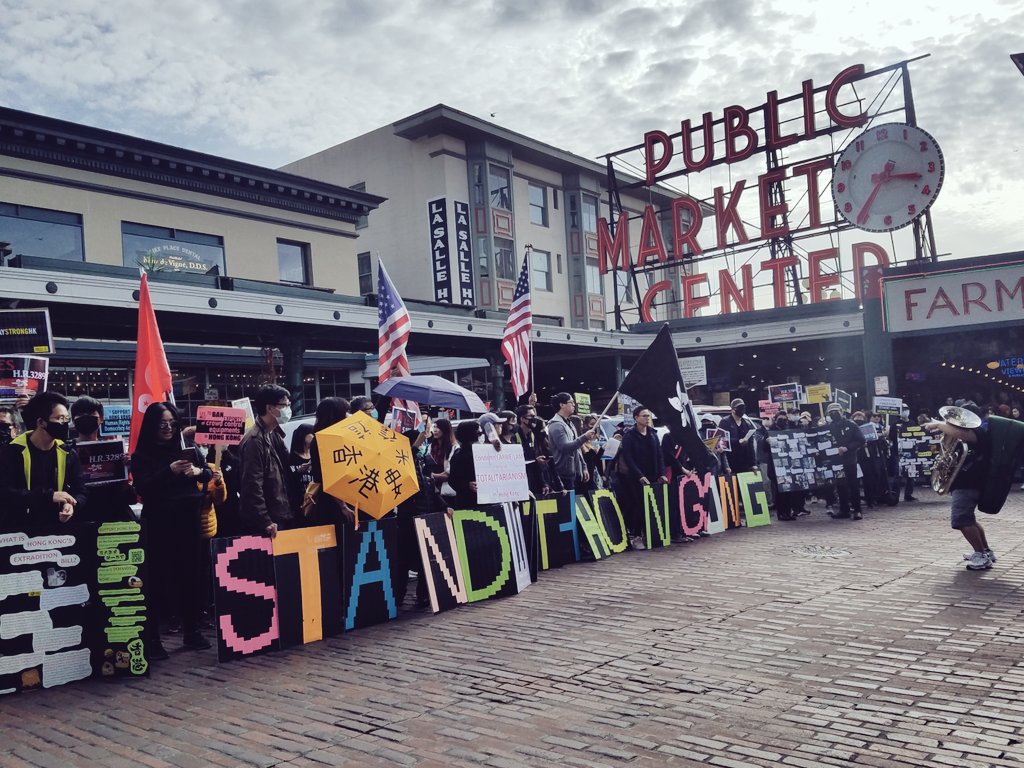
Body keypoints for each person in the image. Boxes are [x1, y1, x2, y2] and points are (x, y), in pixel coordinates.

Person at [131, 401, 211, 658]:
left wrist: (199, 471)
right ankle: (154, 639)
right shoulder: (142, 455)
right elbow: (143, 487)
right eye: (162, 423)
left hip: (189, 521)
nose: (167, 428)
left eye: (172, 423)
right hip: (160, 523)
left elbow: (209, 474)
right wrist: (169, 471)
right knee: (158, 579)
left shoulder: (189, 449)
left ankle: (192, 630)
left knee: (191, 576)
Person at [0, 390, 85, 531]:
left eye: (66, 419)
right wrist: (49, 496)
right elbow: (5, 493)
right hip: (19, 532)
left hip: (58, 532)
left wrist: (71, 505)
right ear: (41, 422)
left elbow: (81, 491)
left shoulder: (68, 453)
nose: (65, 424)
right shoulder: (12, 452)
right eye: (60, 418)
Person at [924, 403, 995, 570]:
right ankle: (985, 551)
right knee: (969, 519)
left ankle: (981, 556)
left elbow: (959, 433)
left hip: (969, 483)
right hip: (965, 482)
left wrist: (938, 424)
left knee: (961, 521)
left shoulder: (976, 432)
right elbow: (950, 444)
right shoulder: (968, 434)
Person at [394, 427, 450, 608]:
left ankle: (423, 595)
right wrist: (417, 441)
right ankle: (398, 595)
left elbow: (432, 489)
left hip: (426, 517)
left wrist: (445, 506)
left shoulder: (424, 463)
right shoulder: (400, 464)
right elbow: (408, 454)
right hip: (408, 519)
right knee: (404, 561)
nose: (424, 446)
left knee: (425, 559)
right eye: (420, 443)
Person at [238, 384, 295, 537]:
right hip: (270, 522)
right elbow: (252, 485)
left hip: (282, 513)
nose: (288, 409)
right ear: (270, 408)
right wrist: (265, 520)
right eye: (284, 405)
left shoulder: (273, 433)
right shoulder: (254, 441)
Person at [70, 395, 136, 523]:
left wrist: (128, 471)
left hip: (114, 517)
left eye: (90, 413)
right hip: (81, 518)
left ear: (101, 418)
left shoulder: (116, 449)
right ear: (73, 419)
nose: (86, 416)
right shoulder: (65, 451)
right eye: (81, 413)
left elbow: (130, 496)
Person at [620, 405, 668, 550]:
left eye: (648, 416)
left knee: (652, 506)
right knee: (637, 506)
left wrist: (661, 474)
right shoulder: (629, 436)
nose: (647, 418)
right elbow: (629, 458)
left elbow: (660, 456)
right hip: (635, 477)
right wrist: (639, 475)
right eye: (644, 416)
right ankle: (636, 536)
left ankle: (651, 535)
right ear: (636, 418)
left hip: (653, 475)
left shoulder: (653, 434)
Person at [307, 396, 355, 527]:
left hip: (340, 500)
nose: (349, 415)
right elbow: (328, 478)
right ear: (336, 415)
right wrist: (343, 506)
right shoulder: (324, 440)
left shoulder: (330, 437)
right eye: (346, 411)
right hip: (333, 504)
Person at [546, 392, 596, 493]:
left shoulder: (569, 423)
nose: (574, 405)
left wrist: (584, 467)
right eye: (571, 402)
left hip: (576, 472)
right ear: (562, 405)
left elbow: (577, 449)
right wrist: (584, 437)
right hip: (565, 475)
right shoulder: (556, 425)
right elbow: (565, 447)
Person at [826, 402, 866, 520]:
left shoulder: (851, 424)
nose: (834, 414)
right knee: (840, 485)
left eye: (836, 412)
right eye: (831, 413)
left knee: (853, 485)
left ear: (841, 412)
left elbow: (861, 440)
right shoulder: (829, 426)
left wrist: (847, 448)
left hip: (850, 460)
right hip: (836, 461)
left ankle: (857, 510)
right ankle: (844, 510)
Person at [448, 419, 482, 509]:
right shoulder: (459, 455)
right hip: (468, 503)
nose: (481, 435)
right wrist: (467, 485)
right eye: (478, 432)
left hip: (485, 499)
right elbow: (452, 480)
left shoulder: (483, 452)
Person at [287, 423, 316, 519]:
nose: (314, 436)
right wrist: (298, 472)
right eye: (312, 433)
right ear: (303, 435)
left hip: (314, 501)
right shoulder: (290, 458)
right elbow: (287, 481)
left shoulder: (315, 456)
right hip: (298, 503)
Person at [722, 398, 756, 474]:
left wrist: (753, 463)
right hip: (731, 461)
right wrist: (738, 441)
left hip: (745, 462)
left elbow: (751, 445)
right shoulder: (725, 422)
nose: (742, 410)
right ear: (733, 409)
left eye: (743, 408)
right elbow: (722, 441)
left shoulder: (746, 423)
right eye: (739, 408)